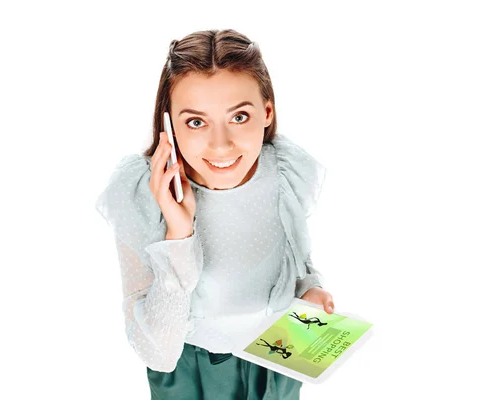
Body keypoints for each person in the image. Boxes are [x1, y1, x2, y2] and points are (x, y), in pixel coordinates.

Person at [95, 28, 335, 400]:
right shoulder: (142, 195)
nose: (221, 145)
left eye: (239, 117)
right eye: (195, 121)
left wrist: (310, 290)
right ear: (168, 124)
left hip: (279, 360)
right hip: (195, 373)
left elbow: (296, 261)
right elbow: (156, 352)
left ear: (267, 112)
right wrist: (179, 232)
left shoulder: (285, 170)